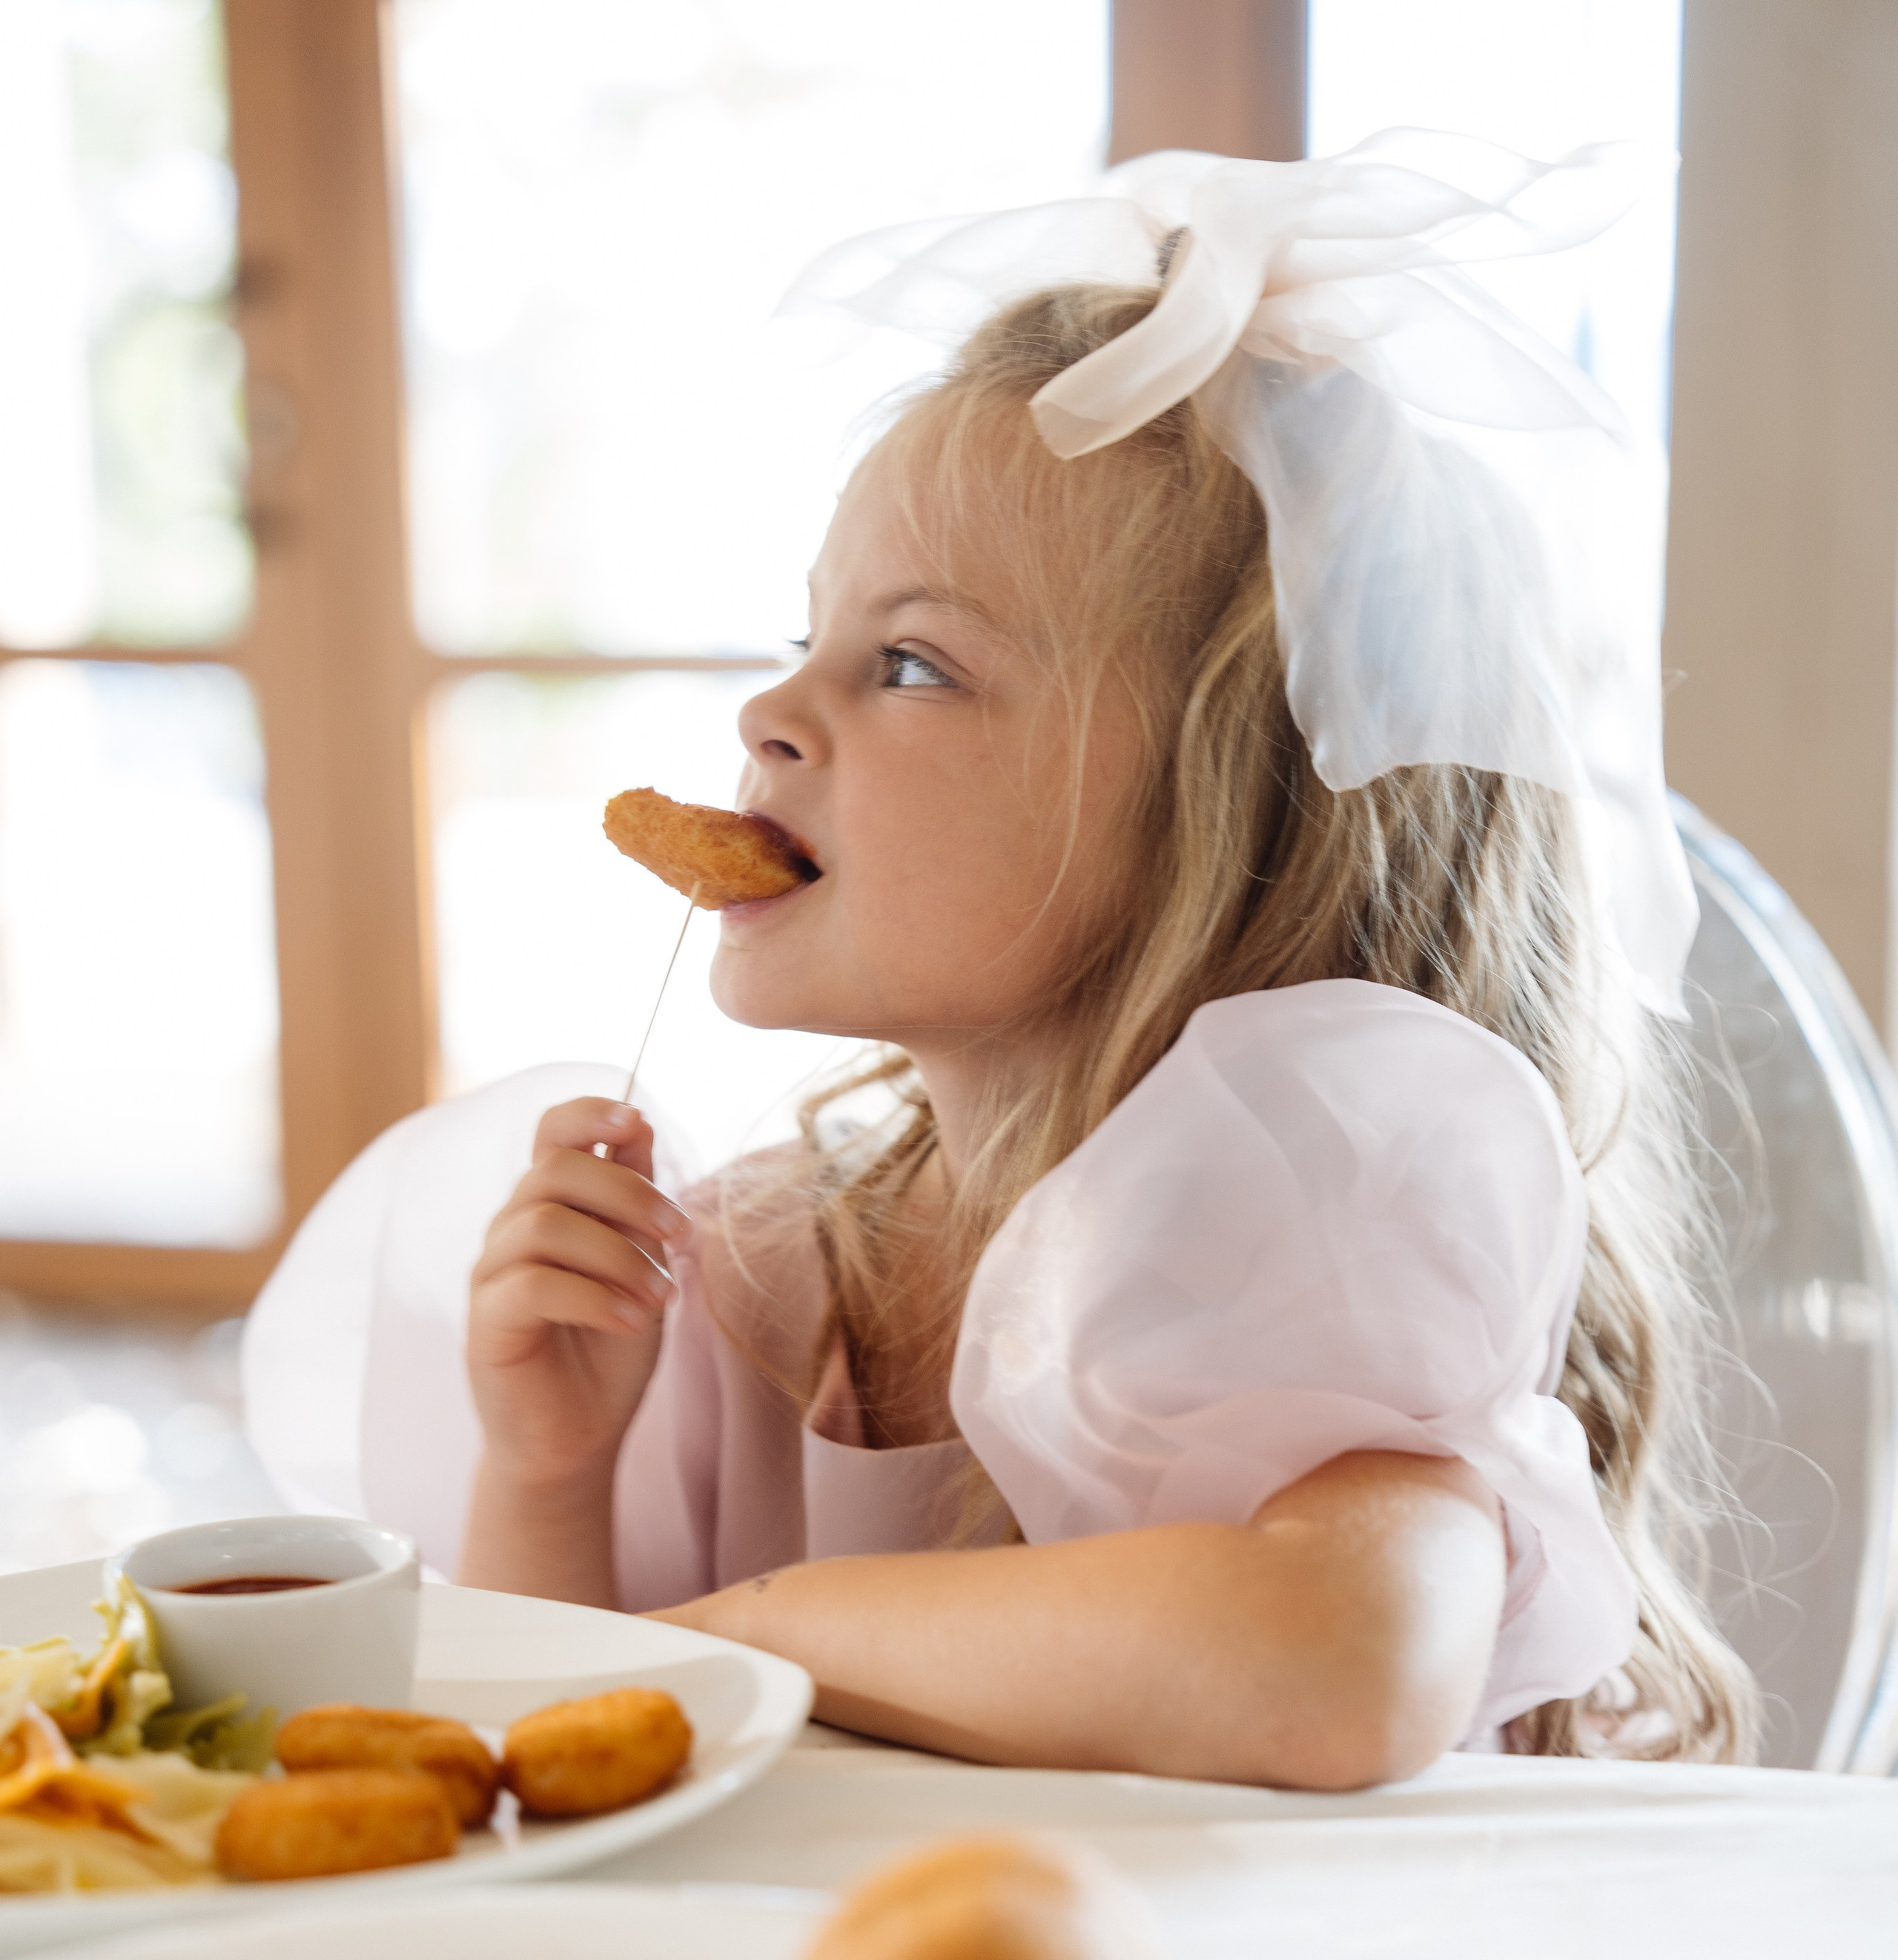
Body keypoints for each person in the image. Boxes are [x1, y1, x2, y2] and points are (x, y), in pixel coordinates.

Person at [248, 139, 1754, 1787]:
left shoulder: (1309, 1259)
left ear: (1221, 811)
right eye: (800, 641)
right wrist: (548, 1474)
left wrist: (745, 1637)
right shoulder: (754, 1272)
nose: (768, 719)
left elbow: (1348, 1658)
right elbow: (557, 1766)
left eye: (908, 663)